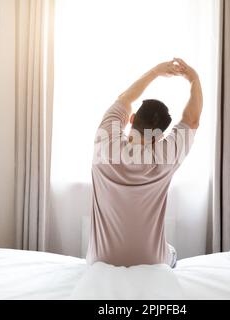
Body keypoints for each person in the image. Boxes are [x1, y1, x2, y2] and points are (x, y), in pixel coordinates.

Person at [86, 58, 203, 268]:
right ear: (159, 136)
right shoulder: (166, 154)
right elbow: (192, 120)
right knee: (171, 252)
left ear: (130, 119)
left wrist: (156, 72)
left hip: (100, 259)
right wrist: (193, 79)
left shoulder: (105, 140)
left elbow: (124, 98)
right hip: (152, 261)